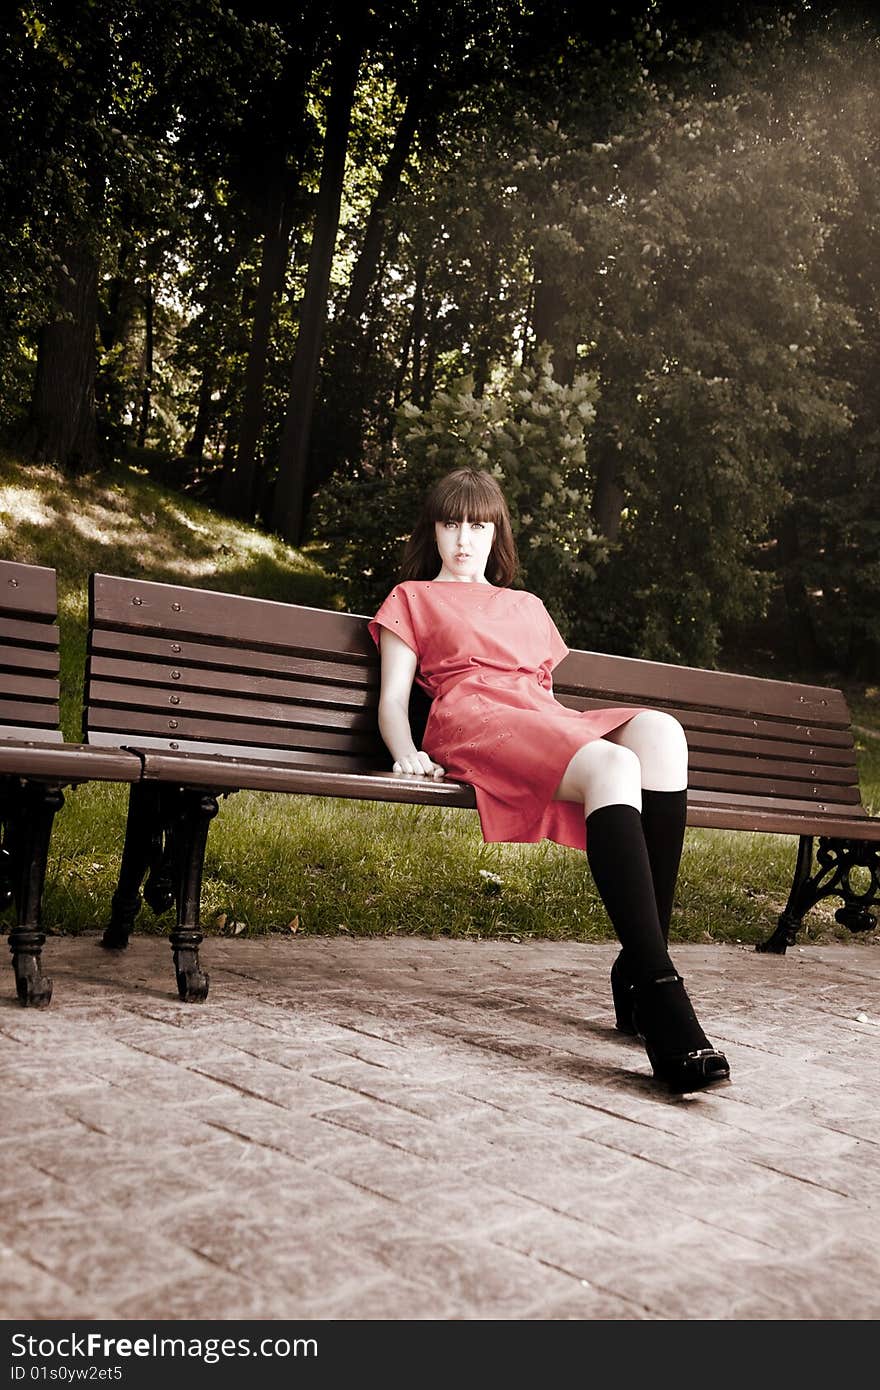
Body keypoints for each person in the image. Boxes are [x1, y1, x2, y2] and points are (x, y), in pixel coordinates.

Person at [368, 467, 729, 1095]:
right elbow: (394, 699)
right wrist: (405, 752)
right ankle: (661, 994)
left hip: (534, 716)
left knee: (662, 736)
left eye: (478, 525)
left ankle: (641, 970)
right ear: (434, 529)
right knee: (613, 766)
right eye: (451, 523)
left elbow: (546, 703)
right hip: (471, 717)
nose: (463, 538)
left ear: (496, 533)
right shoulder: (411, 597)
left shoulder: (526, 606)